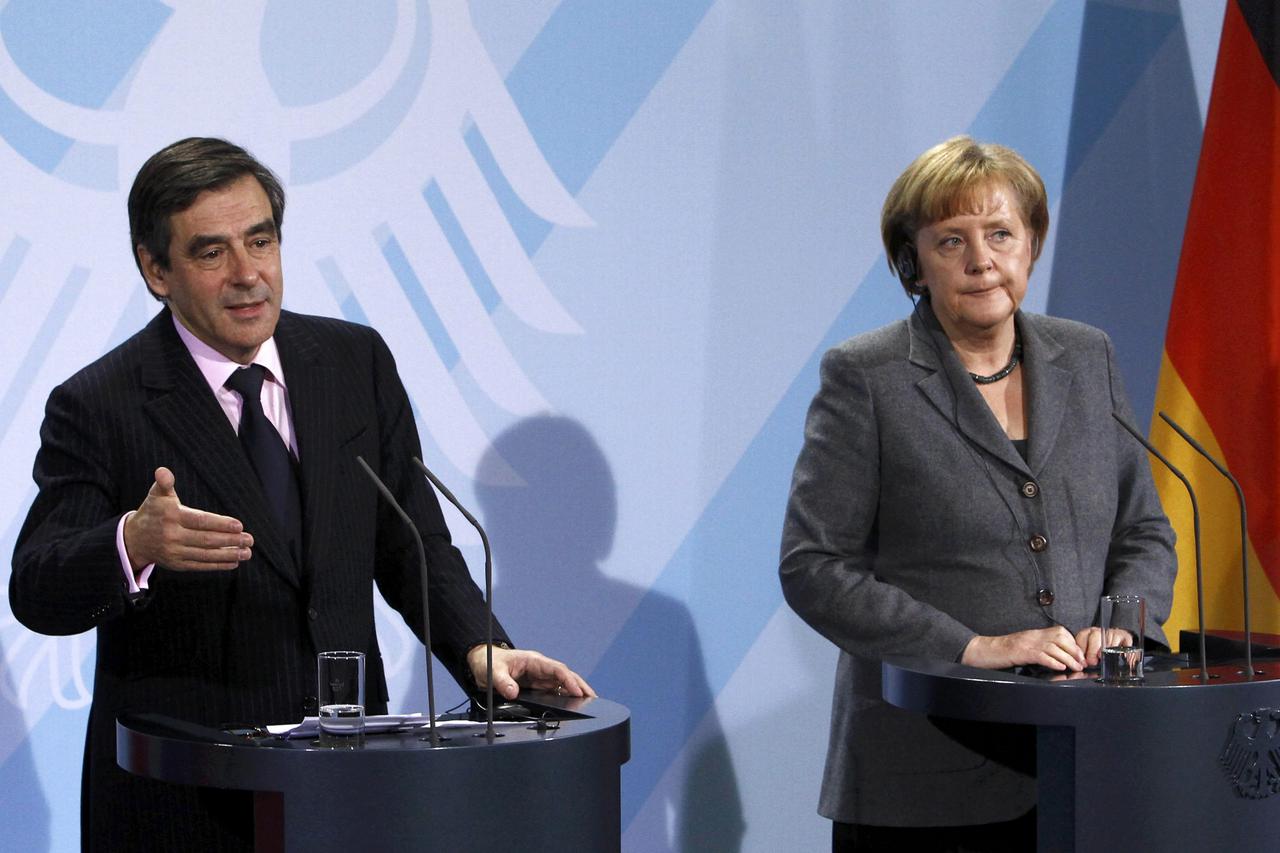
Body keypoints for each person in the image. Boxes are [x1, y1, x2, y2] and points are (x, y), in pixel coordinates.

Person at [9, 137, 594, 852]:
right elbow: (37, 588)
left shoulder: (354, 363)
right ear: (156, 269)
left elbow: (413, 543)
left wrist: (477, 649)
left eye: (262, 241)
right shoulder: (101, 403)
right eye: (212, 252)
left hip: (345, 786)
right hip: (186, 800)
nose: (249, 275)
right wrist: (131, 544)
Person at [779, 136, 1176, 852]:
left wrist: (1122, 625)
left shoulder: (1088, 356)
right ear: (913, 262)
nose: (981, 260)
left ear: (1032, 243)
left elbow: (1142, 529)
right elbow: (814, 566)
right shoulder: (866, 377)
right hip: (924, 773)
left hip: (1087, 759)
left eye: (1000, 233)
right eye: (950, 240)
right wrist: (970, 646)